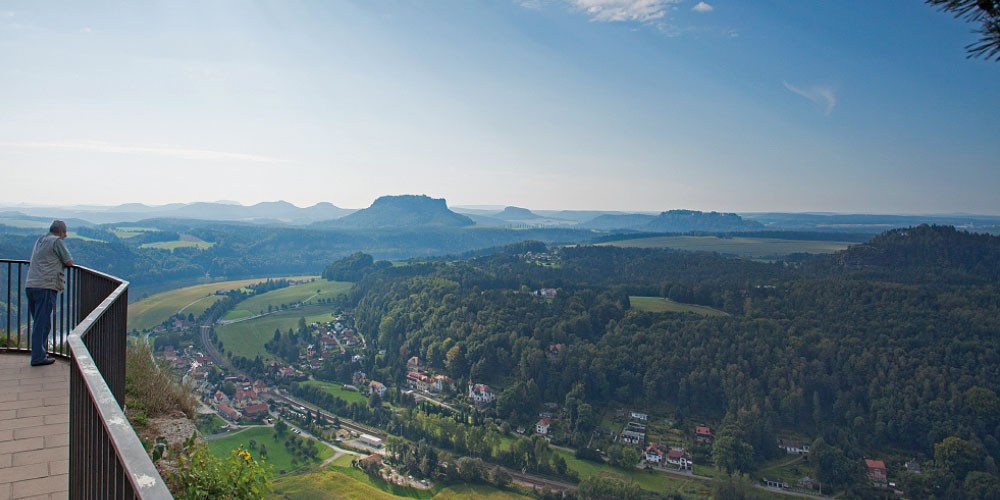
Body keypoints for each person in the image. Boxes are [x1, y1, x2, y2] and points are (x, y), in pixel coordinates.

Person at [25, 220, 74, 366]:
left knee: (40, 322)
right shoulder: (57, 241)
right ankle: (38, 356)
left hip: (31, 285)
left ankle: (40, 352)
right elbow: (69, 261)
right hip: (45, 286)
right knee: (42, 323)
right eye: (65, 232)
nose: (66, 235)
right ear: (60, 232)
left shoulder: (41, 239)